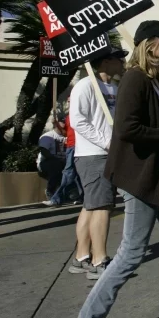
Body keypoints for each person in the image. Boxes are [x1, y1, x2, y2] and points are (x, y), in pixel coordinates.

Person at [79, 20, 159, 318]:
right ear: (151, 44)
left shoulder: (156, 81)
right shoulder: (134, 79)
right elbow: (127, 129)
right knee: (130, 254)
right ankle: (89, 316)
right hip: (142, 179)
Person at [64, 48, 127, 280]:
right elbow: (78, 120)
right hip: (93, 155)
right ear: (106, 61)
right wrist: (105, 142)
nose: (122, 62)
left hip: (108, 154)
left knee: (91, 206)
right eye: (119, 58)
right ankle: (99, 261)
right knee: (102, 206)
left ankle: (81, 257)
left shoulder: (114, 88)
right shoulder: (85, 85)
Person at [44, 110, 83, 206]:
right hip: (71, 146)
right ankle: (82, 197)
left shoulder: (81, 113)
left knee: (68, 172)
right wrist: (56, 123)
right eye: (68, 101)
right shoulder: (68, 117)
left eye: (70, 101)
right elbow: (64, 132)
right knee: (75, 173)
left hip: (78, 145)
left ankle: (56, 199)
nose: (69, 103)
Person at [37, 119, 67, 200]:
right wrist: (57, 160)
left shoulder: (67, 136)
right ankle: (50, 190)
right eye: (61, 127)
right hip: (46, 162)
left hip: (64, 162)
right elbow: (44, 152)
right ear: (56, 126)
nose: (63, 129)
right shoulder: (48, 136)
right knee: (55, 165)